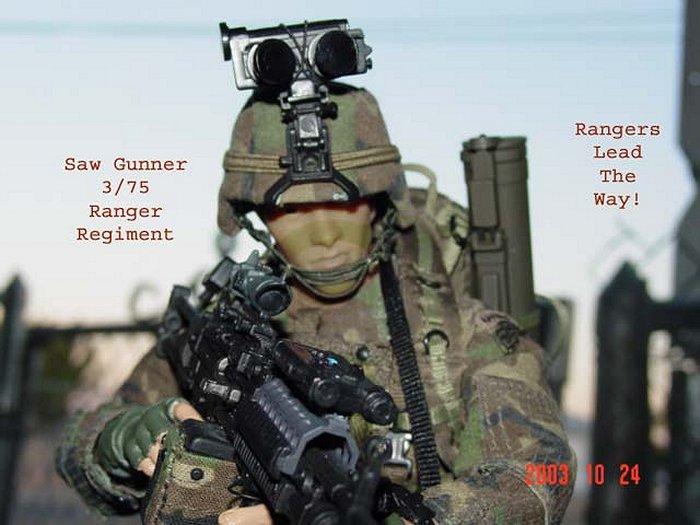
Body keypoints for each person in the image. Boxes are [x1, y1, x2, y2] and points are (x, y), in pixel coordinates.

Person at [56, 83, 575, 524]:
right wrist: (118, 443)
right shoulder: (231, 325)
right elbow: (77, 446)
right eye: (291, 208)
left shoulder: (460, 328)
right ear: (257, 215)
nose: (324, 234)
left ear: (379, 201)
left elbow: (537, 474)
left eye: (343, 201)